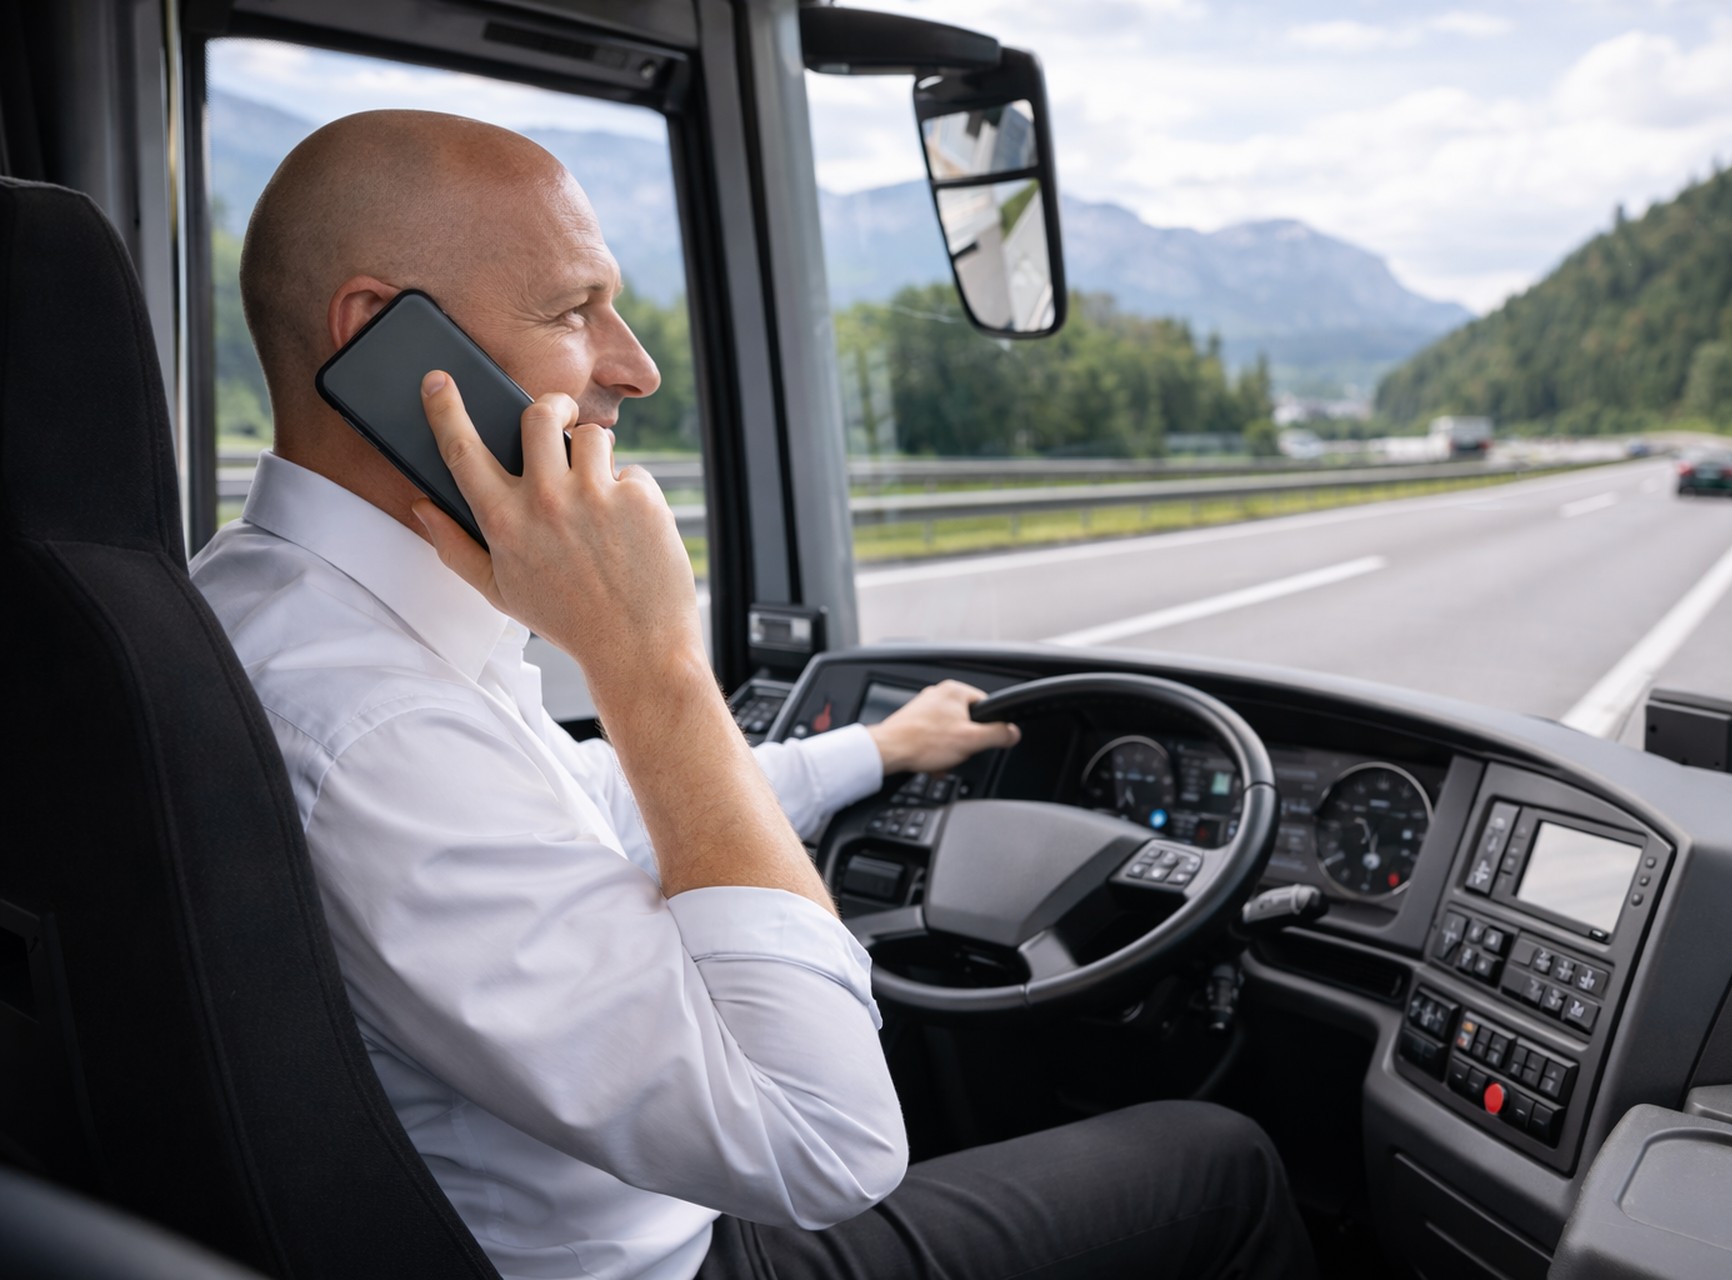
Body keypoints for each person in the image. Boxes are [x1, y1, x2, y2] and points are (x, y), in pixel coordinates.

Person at [191, 110, 1313, 1280]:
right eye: (575, 310)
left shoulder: (275, 601)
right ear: (382, 340)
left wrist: (871, 751)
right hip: (673, 1260)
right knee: (1217, 1156)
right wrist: (650, 657)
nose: (636, 364)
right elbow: (829, 1141)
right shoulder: (377, 730)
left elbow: (586, 801)